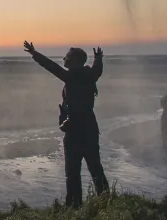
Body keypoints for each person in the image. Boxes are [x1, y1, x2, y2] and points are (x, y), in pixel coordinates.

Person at [23, 41, 110, 207]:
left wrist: (35, 54)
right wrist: (98, 58)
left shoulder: (72, 76)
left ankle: (74, 206)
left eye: (68, 57)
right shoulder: (90, 75)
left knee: (72, 173)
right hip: (90, 129)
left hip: (74, 130)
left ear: (75, 60)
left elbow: (51, 67)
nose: (64, 58)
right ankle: (106, 201)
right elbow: (98, 69)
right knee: (96, 168)